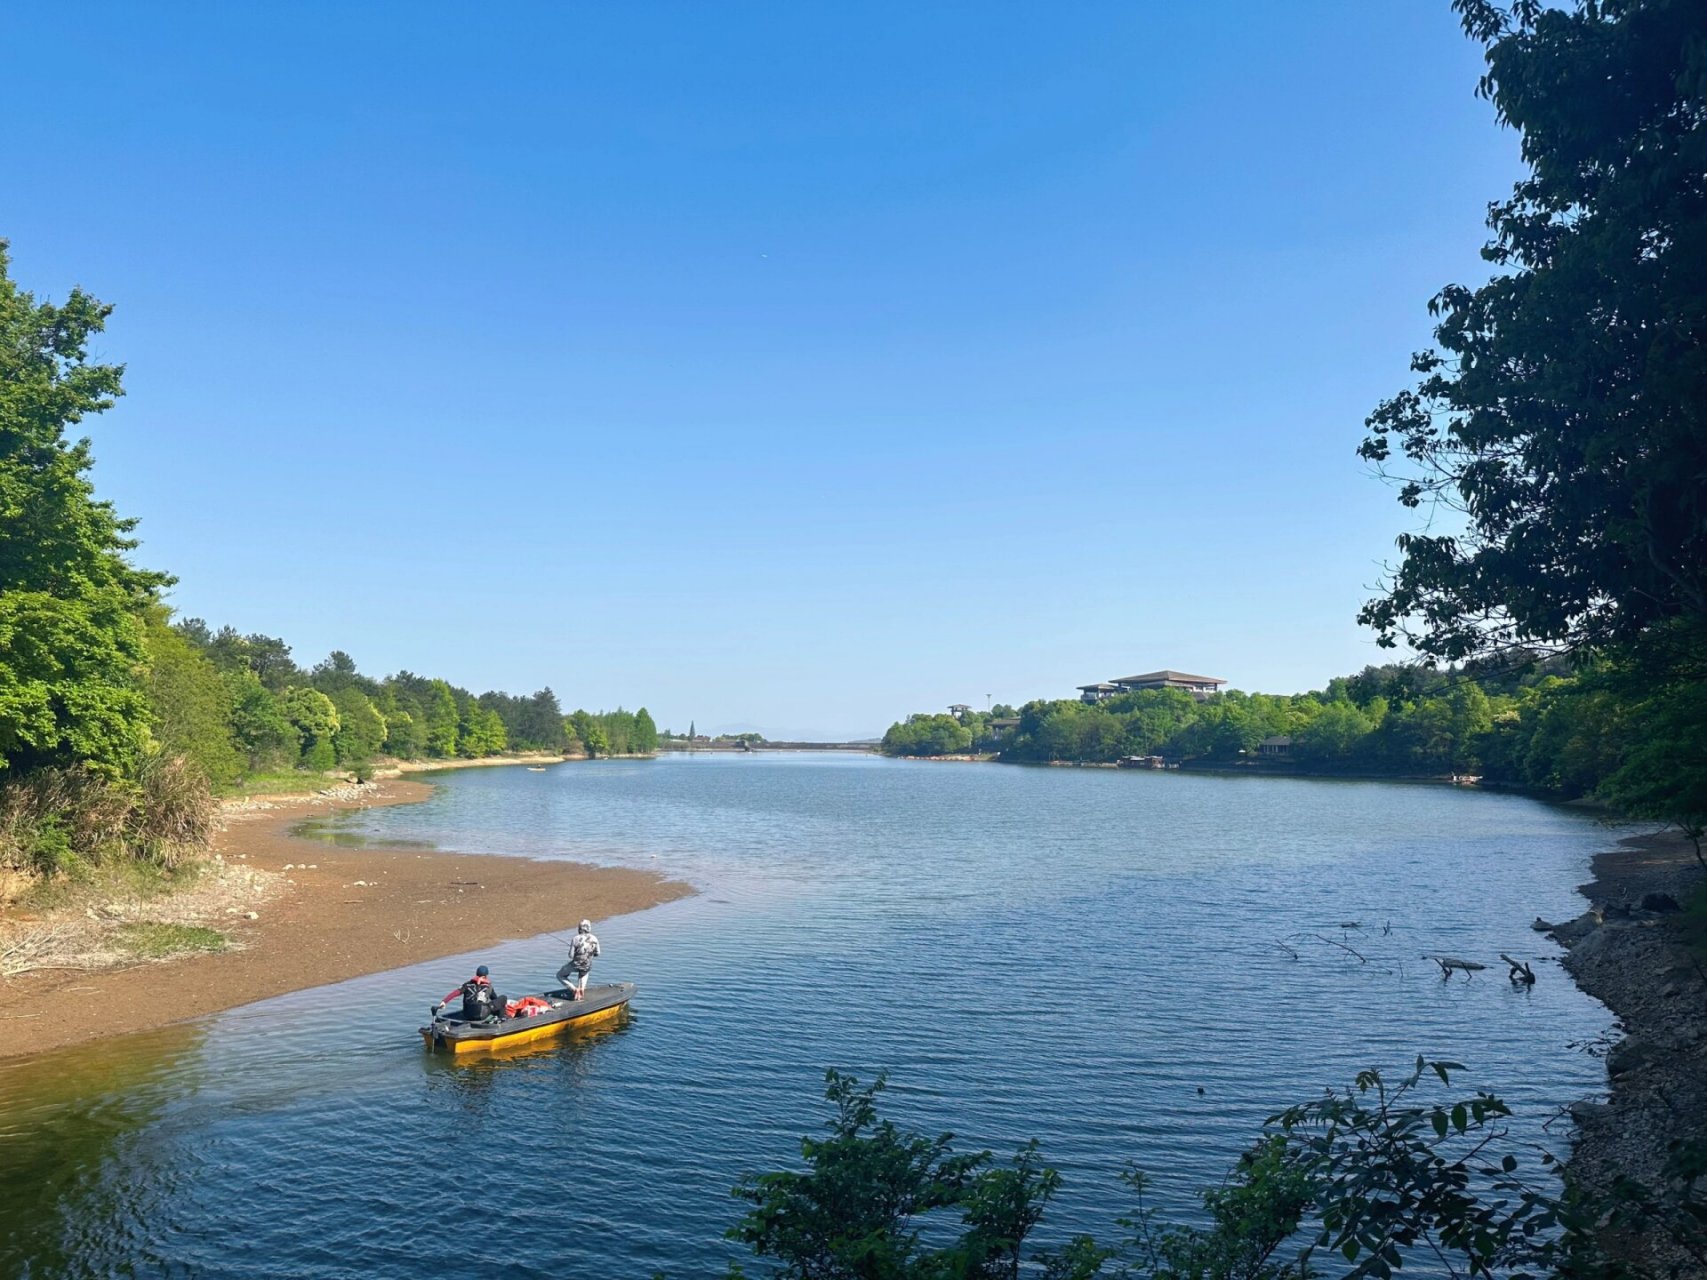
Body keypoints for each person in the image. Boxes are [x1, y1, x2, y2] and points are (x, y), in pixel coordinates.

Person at [436, 964, 506, 1022]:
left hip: (467, 1015)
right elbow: (495, 999)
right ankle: (501, 1019)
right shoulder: (488, 986)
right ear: (485, 976)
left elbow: (455, 993)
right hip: (481, 1015)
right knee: (503, 998)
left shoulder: (467, 985)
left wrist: (444, 1001)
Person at [555, 920, 600, 998]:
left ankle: (574, 989)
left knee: (559, 975)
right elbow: (598, 953)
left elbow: (570, 956)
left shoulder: (575, 939)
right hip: (587, 965)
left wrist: (575, 950)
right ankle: (581, 990)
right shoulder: (595, 939)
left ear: (580, 928)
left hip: (575, 965)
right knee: (584, 972)